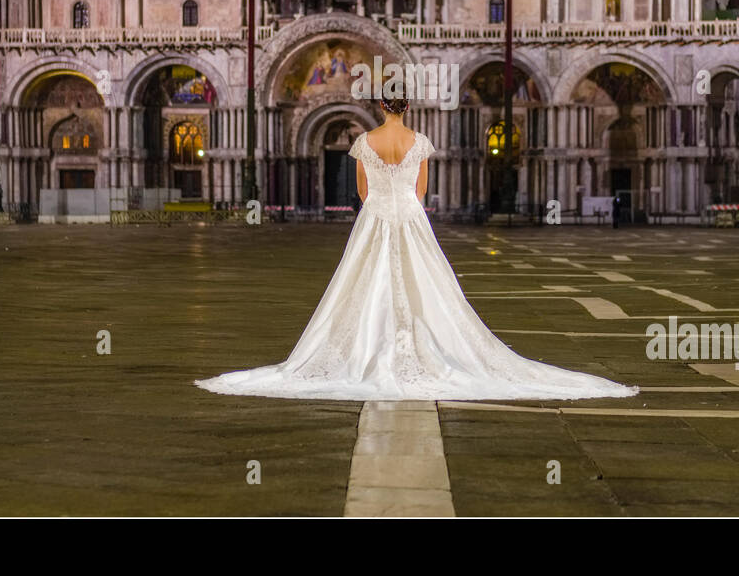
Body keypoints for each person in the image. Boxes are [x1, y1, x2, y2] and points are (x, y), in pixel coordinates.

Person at [196, 93, 638, 401]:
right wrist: (404, 203)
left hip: (375, 220)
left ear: (380, 106)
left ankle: (361, 350)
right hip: (410, 217)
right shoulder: (419, 142)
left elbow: (363, 191)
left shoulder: (364, 141)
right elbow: (421, 189)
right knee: (428, 286)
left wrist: (381, 209)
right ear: (407, 105)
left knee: (361, 286)